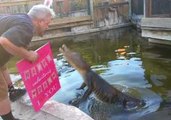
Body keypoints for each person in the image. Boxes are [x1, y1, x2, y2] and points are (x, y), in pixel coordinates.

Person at [0, 4, 54, 120]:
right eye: (47, 23)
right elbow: (4, 41)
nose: (48, 27)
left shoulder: (21, 18)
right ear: (40, 21)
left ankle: (12, 90)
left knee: (2, 64)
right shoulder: (26, 26)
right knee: (1, 90)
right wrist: (28, 55)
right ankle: (8, 118)